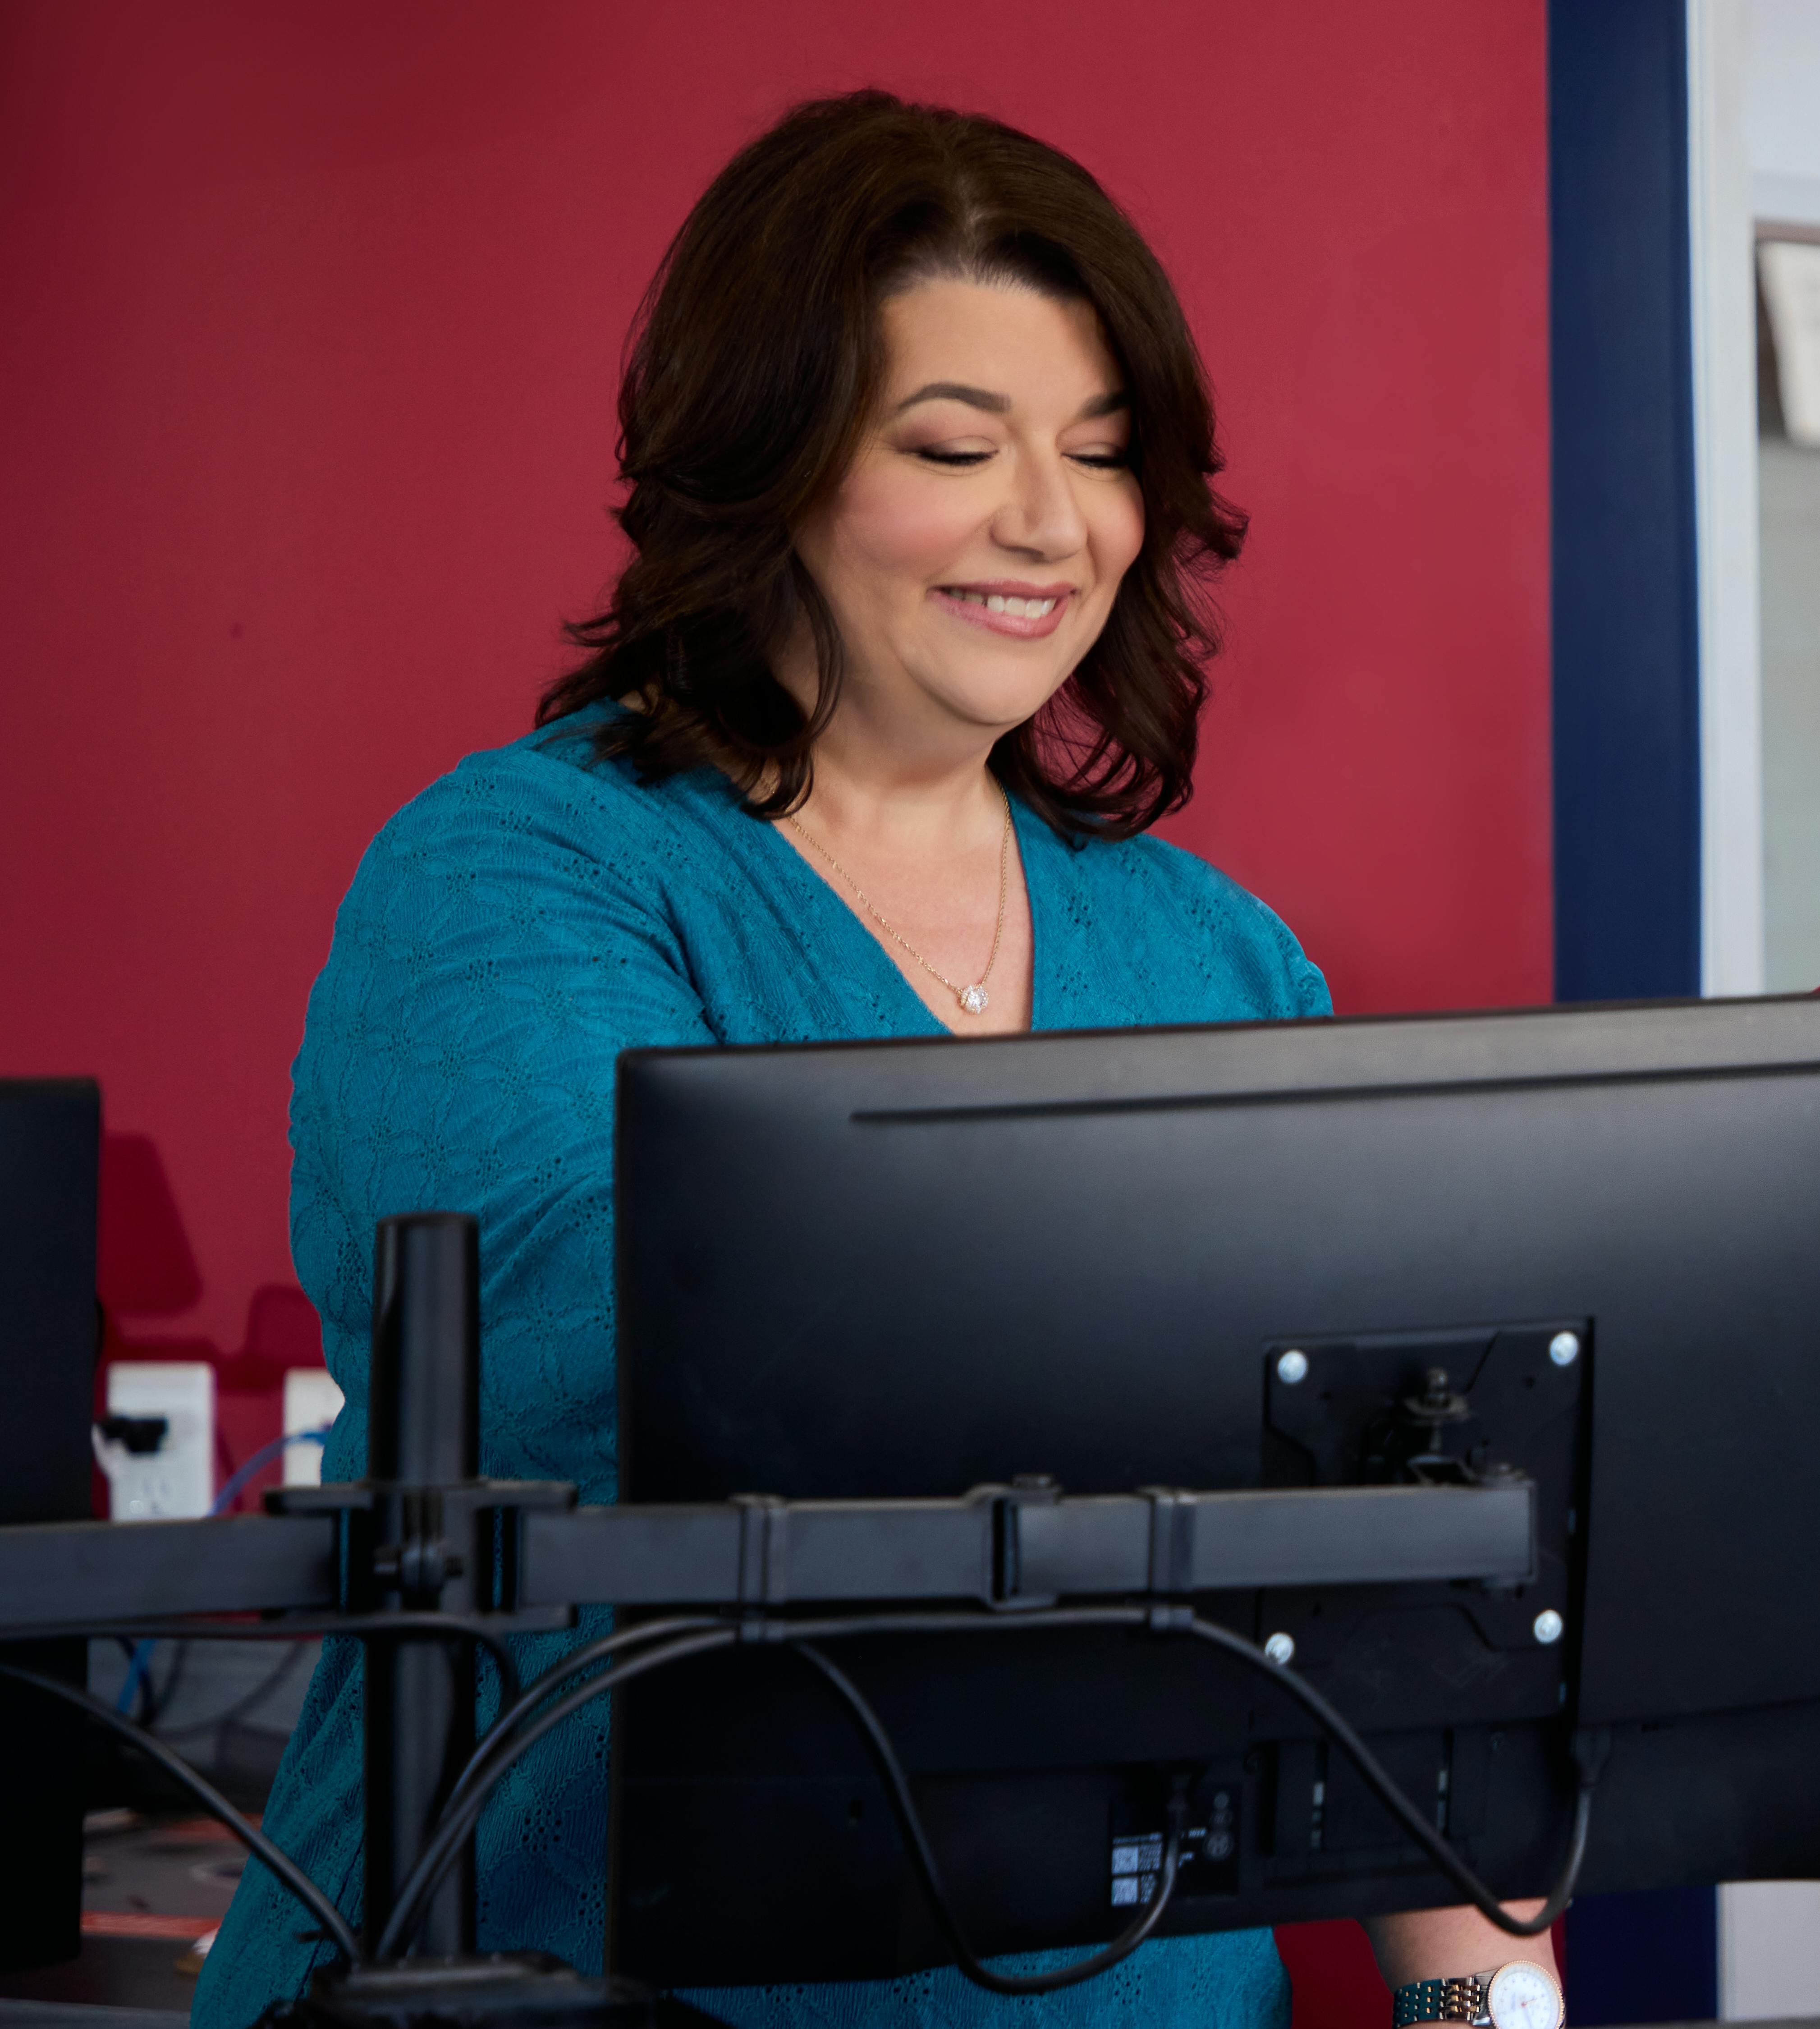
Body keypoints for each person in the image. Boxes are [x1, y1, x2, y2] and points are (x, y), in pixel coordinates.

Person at [198, 92, 1549, 2029]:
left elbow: (1390, 1589)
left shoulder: (1219, 956)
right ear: (771, 468)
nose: (1051, 521)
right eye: (953, 446)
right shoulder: (514, 879)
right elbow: (641, 1391)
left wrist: (1477, 2016)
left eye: (1103, 452)